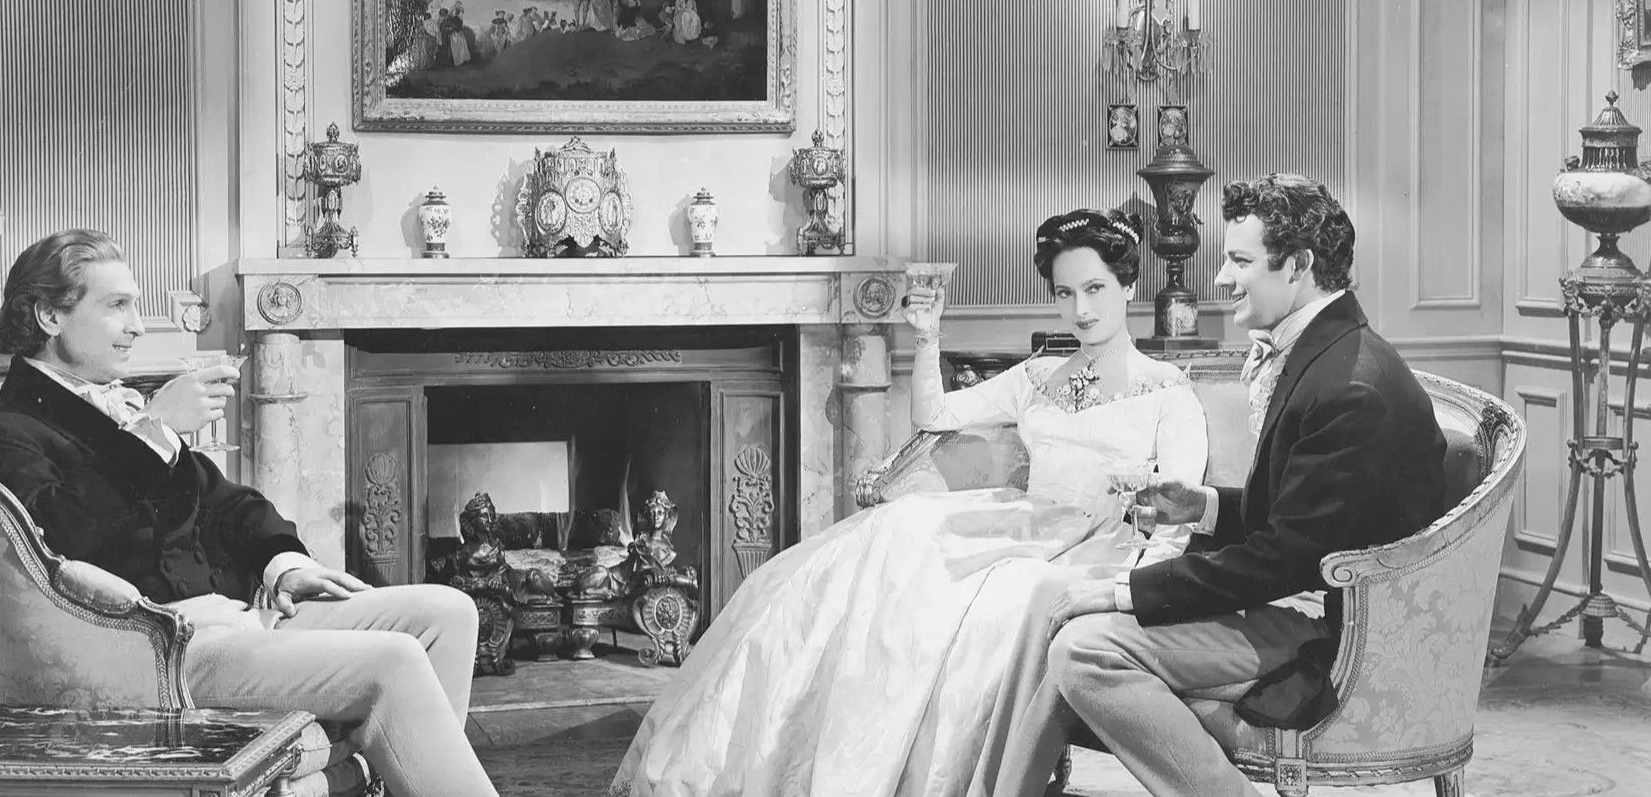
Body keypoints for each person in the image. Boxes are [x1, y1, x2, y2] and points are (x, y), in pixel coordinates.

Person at [608, 209, 1209, 797]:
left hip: (1098, 547)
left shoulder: (1167, 391)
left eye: (1095, 289)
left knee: (999, 595)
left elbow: (1178, 516)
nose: (1080, 309)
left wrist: (1134, 587)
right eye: (1065, 293)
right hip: (1026, 523)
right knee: (893, 538)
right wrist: (927, 337)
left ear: (1129, 286)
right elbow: (937, 416)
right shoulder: (1037, 377)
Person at [0, 230, 501, 797]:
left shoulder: (119, 410)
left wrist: (284, 564)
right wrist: (153, 430)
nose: (139, 326)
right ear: (49, 316)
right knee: (394, 659)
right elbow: (71, 540)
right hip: (158, 651)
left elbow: (228, 503)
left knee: (448, 612)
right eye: (117, 305)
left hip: (236, 619)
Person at [992, 174, 1448, 797]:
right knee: (1062, 626)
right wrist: (1201, 506)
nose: (1221, 278)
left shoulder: (1350, 385)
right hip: (1296, 598)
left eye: (1240, 260)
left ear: (1298, 266)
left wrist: (1124, 592)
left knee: (1085, 650)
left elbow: (1286, 559)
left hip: (1338, 634)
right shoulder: (1330, 354)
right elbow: (1303, 519)